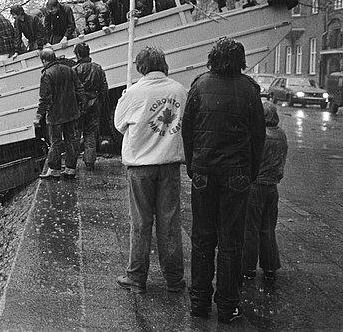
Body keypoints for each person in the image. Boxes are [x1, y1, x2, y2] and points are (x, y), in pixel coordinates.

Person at [182, 37, 265, 324]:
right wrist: (250, 172)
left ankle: (199, 302)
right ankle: (228, 305)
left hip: (204, 171)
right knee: (232, 241)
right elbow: (258, 137)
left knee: (202, 238)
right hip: (237, 173)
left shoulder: (199, 86)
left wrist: (194, 166)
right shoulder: (250, 90)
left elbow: (188, 130)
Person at [114, 47, 188, 294]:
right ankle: (174, 279)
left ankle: (136, 277)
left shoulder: (134, 93)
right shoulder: (179, 90)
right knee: (169, 221)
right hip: (169, 164)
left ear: (140, 67)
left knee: (140, 221)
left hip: (140, 165)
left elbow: (118, 124)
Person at [242, 100, 288, 282]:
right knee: (268, 228)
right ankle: (270, 267)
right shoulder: (281, 135)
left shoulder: (260, 136)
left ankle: (248, 266)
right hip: (272, 186)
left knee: (250, 228)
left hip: (255, 186)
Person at [34, 48, 81, 179]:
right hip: (71, 112)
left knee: (56, 142)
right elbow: (79, 89)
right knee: (71, 140)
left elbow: (45, 98)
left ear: (44, 60)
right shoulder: (69, 69)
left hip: (56, 115)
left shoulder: (47, 74)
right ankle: (70, 169)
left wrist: (38, 116)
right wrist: (79, 106)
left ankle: (54, 170)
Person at [73, 42, 108, 171]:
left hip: (79, 106)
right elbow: (104, 88)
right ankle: (89, 162)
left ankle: (72, 164)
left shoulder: (74, 70)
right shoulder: (97, 68)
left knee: (75, 135)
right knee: (91, 134)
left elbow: (72, 91)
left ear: (77, 55)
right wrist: (100, 101)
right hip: (94, 103)